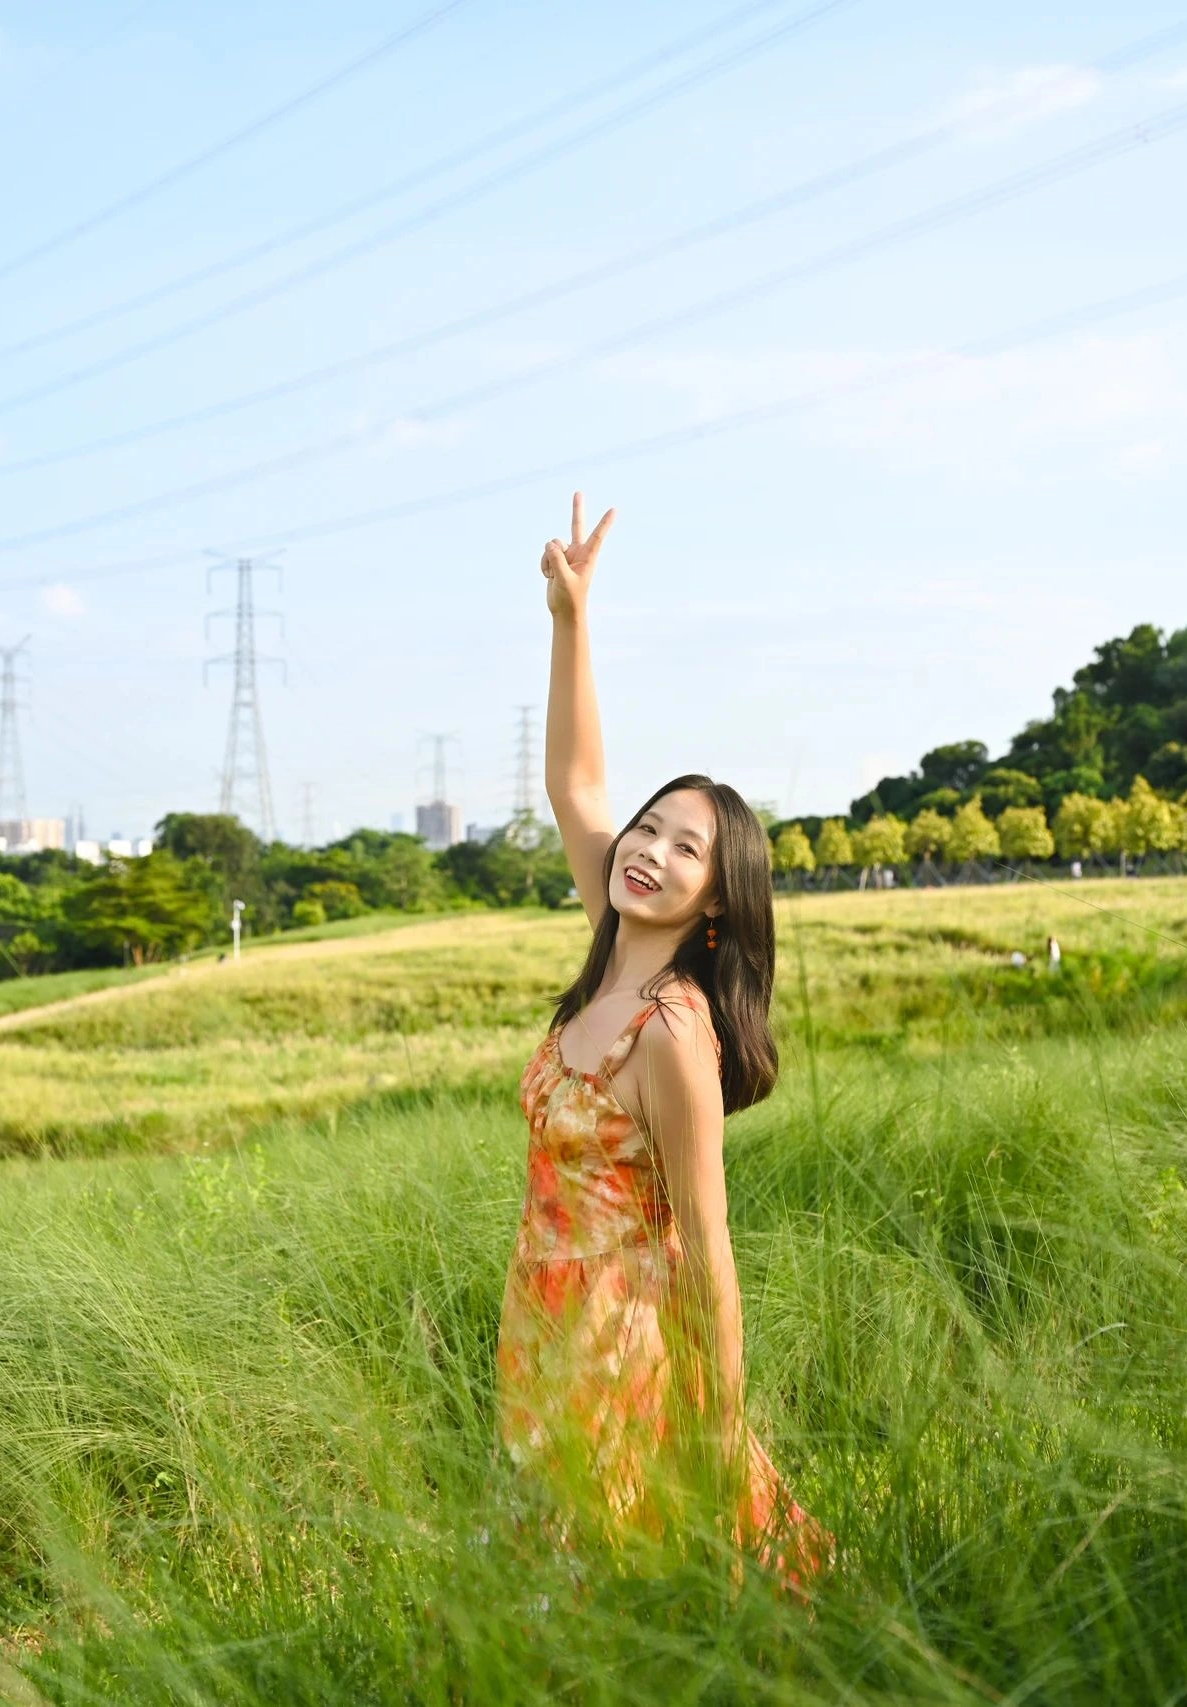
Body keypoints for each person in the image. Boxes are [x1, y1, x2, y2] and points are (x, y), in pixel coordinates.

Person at [495, 493, 835, 1605]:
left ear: (716, 902)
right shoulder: (608, 942)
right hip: (536, 1315)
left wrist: (721, 1430)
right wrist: (570, 617)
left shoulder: (672, 1029)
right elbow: (576, 784)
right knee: (555, 1576)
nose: (644, 850)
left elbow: (709, 1245)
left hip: (619, 1341)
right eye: (646, 828)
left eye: (683, 849)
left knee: (603, 1586)